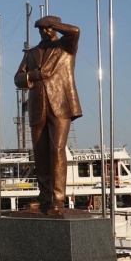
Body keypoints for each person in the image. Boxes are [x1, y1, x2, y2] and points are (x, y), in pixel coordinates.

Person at [14, 15, 82, 212]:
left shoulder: (66, 47)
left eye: (48, 28)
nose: (44, 32)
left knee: (57, 149)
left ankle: (58, 198)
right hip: (38, 107)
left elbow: (75, 31)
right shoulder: (31, 53)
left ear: (55, 27)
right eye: (41, 29)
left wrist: (55, 25)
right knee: (40, 153)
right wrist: (30, 76)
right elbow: (18, 78)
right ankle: (44, 197)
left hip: (61, 104)